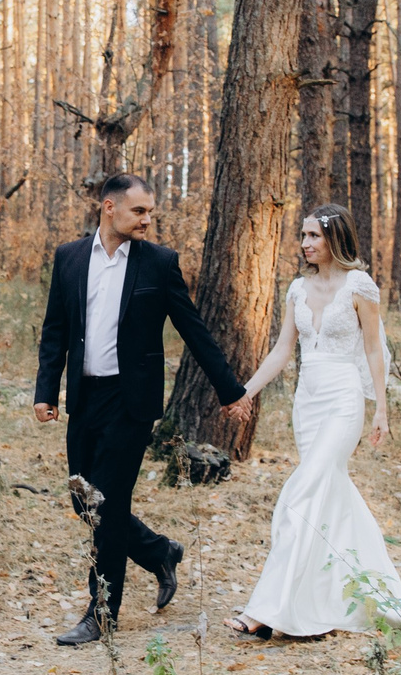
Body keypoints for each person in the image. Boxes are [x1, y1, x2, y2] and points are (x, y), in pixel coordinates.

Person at [227, 205, 401, 638]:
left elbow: (373, 349)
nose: (305, 243)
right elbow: (282, 351)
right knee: (327, 497)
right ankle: (320, 602)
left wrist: (381, 410)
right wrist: (245, 391)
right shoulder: (297, 289)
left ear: (335, 238)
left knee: (300, 494)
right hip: (307, 403)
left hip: (343, 400)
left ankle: (264, 609)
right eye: (303, 235)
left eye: (314, 235)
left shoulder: (359, 286)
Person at [33, 173, 251, 646]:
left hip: (131, 401)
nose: (147, 220)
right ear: (109, 208)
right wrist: (45, 391)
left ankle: (101, 614)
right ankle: (159, 552)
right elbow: (55, 329)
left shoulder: (158, 263)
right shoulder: (70, 257)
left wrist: (230, 390)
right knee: (83, 500)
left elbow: (193, 330)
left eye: (150, 212)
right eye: (139, 211)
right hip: (84, 397)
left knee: (107, 505)